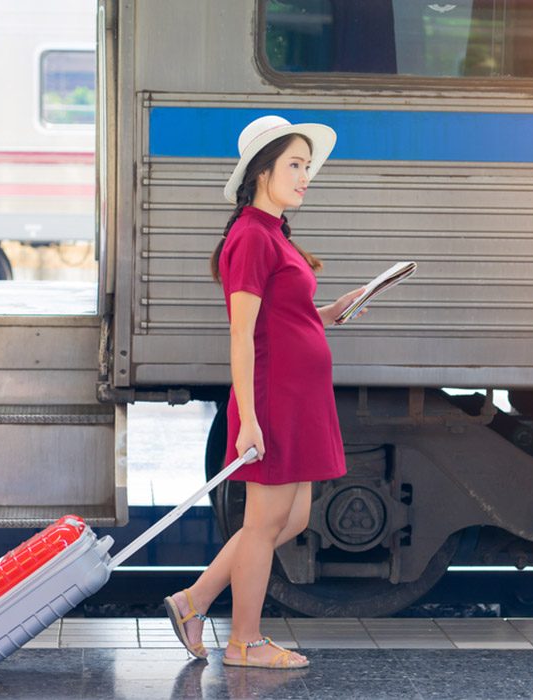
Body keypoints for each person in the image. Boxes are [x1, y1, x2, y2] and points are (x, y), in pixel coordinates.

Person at [162, 115, 366, 669]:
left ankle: (194, 600)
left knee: (291, 519)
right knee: (262, 525)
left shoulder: (274, 233)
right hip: (273, 399)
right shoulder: (251, 237)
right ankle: (244, 642)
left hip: (298, 398)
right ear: (261, 173)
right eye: (295, 166)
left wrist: (328, 312)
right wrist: (248, 418)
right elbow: (242, 332)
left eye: (308, 166)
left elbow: (284, 317)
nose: (306, 176)